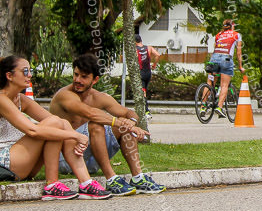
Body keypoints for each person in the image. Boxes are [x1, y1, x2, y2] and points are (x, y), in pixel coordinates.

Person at [50, 53, 165, 195]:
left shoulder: (99, 97)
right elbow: (90, 113)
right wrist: (122, 123)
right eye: (76, 74)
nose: (77, 80)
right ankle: (111, 180)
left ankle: (138, 178)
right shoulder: (65, 95)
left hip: (90, 160)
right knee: (96, 124)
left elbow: (129, 113)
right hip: (66, 160)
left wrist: (131, 122)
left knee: (124, 129)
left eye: (84, 77)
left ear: (95, 79)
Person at [0, 55, 111, 200]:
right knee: (56, 125)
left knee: (60, 123)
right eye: (25, 71)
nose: (30, 75)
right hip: (6, 162)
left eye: (30, 70)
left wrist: (74, 137)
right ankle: (52, 185)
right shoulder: (2, 99)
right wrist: (75, 136)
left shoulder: (21, 100)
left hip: (24, 163)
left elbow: (58, 122)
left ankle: (86, 183)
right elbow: (31, 130)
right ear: (9, 76)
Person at [207, 20, 243, 119]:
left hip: (214, 58)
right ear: (232, 26)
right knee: (224, 85)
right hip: (226, 59)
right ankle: (219, 107)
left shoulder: (218, 34)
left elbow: (216, 49)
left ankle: (202, 106)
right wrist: (240, 66)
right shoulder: (236, 35)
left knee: (210, 82)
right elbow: (239, 53)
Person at [135, 33, 160, 121]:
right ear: (141, 40)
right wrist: (154, 64)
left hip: (140, 73)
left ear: (134, 41)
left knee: (143, 92)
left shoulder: (135, 49)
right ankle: (144, 111)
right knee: (144, 91)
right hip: (148, 73)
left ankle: (147, 112)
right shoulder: (148, 48)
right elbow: (157, 54)